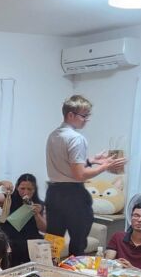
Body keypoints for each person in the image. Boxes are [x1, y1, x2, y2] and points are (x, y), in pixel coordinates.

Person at [44, 95, 125, 257]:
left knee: (53, 242)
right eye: (84, 115)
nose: (87, 119)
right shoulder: (76, 138)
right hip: (73, 195)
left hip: (53, 193)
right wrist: (105, 166)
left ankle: (49, 269)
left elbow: (66, 167)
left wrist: (91, 161)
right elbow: (79, 175)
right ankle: (74, 271)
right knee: (78, 243)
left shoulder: (53, 135)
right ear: (70, 115)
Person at [0, 173, 46, 266]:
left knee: (38, 243)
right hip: (10, 235)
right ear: (17, 187)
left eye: (29, 189)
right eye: (22, 188)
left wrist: (37, 214)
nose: (26, 192)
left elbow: (44, 229)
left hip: (30, 236)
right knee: (13, 245)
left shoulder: (39, 204)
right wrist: (0, 183)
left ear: (34, 190)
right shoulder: (8, 199)